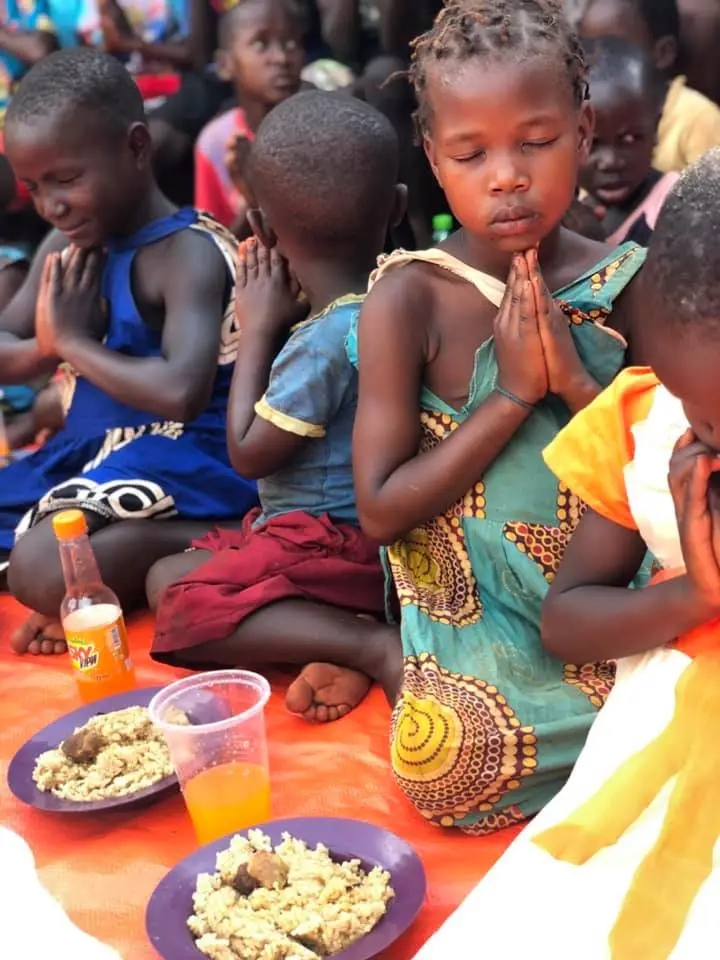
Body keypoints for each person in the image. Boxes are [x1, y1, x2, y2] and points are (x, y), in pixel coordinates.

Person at [297, 0, 644, 835]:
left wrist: (577, 389)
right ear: (433, 158)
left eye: (536, 140)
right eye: (471, 151)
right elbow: (380, 509)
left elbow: (657, 470)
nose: (507, 174)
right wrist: (513, 395)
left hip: (604, 604)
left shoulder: (628, 281)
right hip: (478, 632)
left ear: (584, 130)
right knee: (451, 765)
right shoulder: (407, 298)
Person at [147, 91, 405, 722]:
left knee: (172, 591)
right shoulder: (403, 294)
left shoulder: (319, 341)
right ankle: (333, 636)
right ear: (397, 208)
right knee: (184, 562)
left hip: (339, 547)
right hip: (388, 544)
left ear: (258, 229)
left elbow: (247, 450)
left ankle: (369, 645)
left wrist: (259, 327)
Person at [0, 47, 258, 655]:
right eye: (34, 188)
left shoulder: (186, 252)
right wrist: (43, 346)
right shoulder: (67, 245)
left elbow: (181, 391)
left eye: (66, 180)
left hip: (188, 459)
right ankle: (103, 560)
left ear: (136, 148)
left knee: (40, 569)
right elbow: (10, 340)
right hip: (91, 453)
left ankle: (224, 535)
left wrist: (73, 344)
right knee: (43, 554)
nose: (50, 205)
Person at [533, 149, 720, 960]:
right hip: (664, 755)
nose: (712, 442)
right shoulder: (644, 427)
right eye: (705, 423)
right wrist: (694, 594)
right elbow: (566, 620)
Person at [193, 0, 303, 232]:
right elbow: (220, 248)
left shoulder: (322, 128)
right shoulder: (216, 142)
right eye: (261, 44)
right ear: (225, 64)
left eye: (291, 43)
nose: (282, 58)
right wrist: (253, 203)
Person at [577, 0, 720, 172]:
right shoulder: (584, 113)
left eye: (617, 50)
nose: (601, 64)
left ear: (662, 53)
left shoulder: (697, 119)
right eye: (590, 51)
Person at [579, 36, 678, 245]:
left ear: (656, 127)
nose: (611, 161)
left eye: (630, 139)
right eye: (593, 143)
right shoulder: (568, 213)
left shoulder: (677, 206)